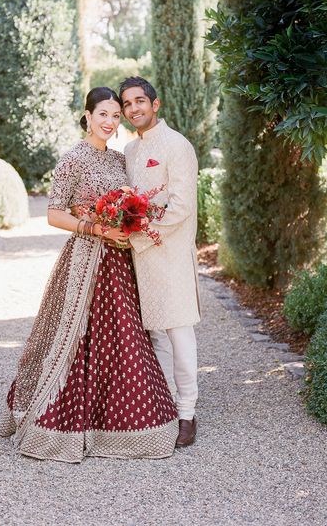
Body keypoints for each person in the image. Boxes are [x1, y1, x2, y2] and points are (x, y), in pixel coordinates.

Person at [0, 87, 178, 462]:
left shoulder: (118, 160)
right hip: (85, 258)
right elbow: (53, 213)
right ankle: (65, 420)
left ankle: (120, 422)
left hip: (120, 259)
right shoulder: (72, 160)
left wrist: (128, 222)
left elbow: (132, 204)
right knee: (77, 337)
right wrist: (96, 228)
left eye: (116, 116)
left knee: (124, 335)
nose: (111, 122)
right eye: (103, 115)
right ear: (87, 115)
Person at [120, 76, 201, 448]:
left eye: (140, 101)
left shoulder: (177, 145)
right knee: (155, 334)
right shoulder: (131, 151)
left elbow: (182, 206)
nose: (134, 108)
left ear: (156, 104)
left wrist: (140, 233)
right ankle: (166, 404)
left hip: (170, 252)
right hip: (140, 258)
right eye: (127, 104)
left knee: (179, 331)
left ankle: (187, 413)